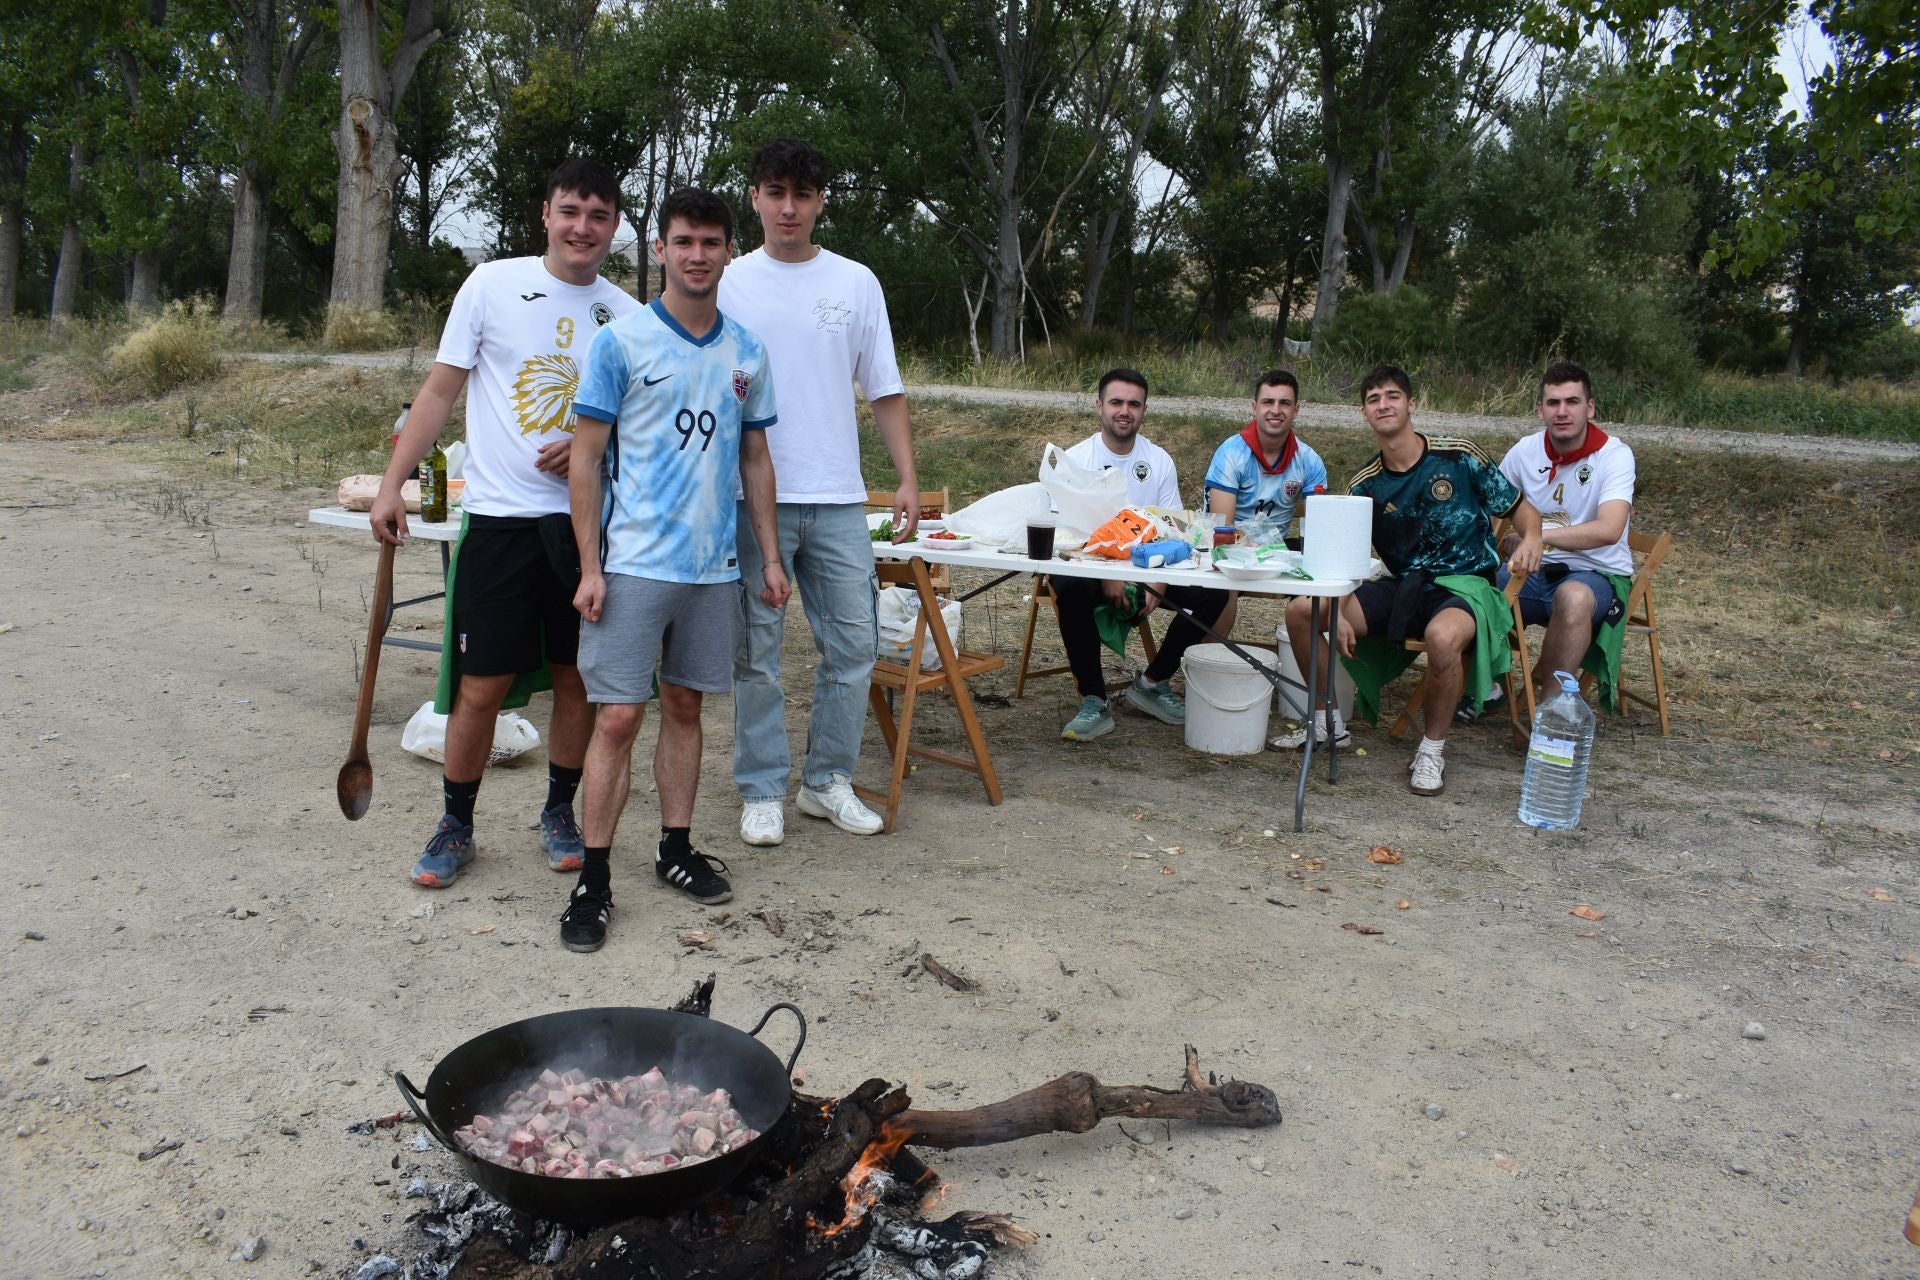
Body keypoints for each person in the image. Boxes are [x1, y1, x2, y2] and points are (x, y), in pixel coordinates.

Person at [371, 158, 640, 890]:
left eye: (597, 216)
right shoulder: (490, 283)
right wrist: (392, 485)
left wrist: (597, 445)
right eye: (569, 211)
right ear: (545, 215)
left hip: (586, 532)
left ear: (614, 228)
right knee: (480, 687)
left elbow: (641, 423)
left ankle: (559, 811)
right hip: (499, 524)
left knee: (576, 682)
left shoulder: (629, 316)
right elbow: (438, 391)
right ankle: (455, 824)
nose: (581, 227)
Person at [558, 187, 791, 953]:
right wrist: (591, 566)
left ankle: (675, 847)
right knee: (620, 715)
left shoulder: (746, 351)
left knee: (687, 708)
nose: (697, 255)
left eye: (711, 242)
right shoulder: (621, 344)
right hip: (632, 564)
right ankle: (593, 878)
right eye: (683, 241)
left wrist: (770, 556)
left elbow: (755, 457)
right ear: (659, 249)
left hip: (712, 569)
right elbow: (585, 460)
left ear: (729, 252)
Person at [718, 138, 918, 849]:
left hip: (837, 495)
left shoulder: (857, 282)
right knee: (756, 652)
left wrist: (906, 477)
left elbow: (884, 388)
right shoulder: (728, 279)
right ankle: (763, 787)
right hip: (752, 497)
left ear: (822, 200)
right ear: (755, 199)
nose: (788, 208)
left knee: (855, 646)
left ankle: (826, 780)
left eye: (802, 195)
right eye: (775, 193)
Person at [1274, 365, 1542, 796]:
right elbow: (1344, 555)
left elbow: (1518, 506)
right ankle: (1328, 724)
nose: (1383, 404)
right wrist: (1333, 605)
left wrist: (1533, 536)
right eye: (1374, 398)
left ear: (1411, 404)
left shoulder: (1459, 456)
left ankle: (1433, 749)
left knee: (1441, 637)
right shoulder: (1366, 484)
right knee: (1304, 612)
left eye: (1392, 395)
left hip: (1468, 584)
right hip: (1404, 586)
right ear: (1364, 413)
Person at [1055, 368, 1229, 741]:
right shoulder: (1077, 458)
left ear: (1144, 409)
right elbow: (1068, 535)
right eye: (1116, 402)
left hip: (1149, 565)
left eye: (1134, 404)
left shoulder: (1160, 460)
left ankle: (1153, 682)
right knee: (1066, 583)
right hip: (1091, 568)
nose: (1125, 411)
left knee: (1214, 591)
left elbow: (1172, 530)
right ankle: (1093, 700)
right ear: (1099, 406)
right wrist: (1106, 573)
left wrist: (1159, 578)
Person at [1495, 361, 1635, 705]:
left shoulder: (1614, 456)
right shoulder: (1524, 451)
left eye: (1572, 402)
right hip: (1530, 572)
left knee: (1573, 597)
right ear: (1540, 410)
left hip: (1594, 576)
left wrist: (1536, 537)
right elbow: (1488, 511)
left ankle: (1550, 715)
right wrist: (1492, 546)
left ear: (1589, 408)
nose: (1562, 411)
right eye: (1553, 403)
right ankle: (1486, 687)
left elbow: (1609, 529)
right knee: (1474, 585)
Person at [1204, 368, 1328, 531]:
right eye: (1268, 402)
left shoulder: (1310, 461)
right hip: (1229, 551)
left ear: (1296, 410)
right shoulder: (1230, 454)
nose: (1276, 410)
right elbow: (1222, 532)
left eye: (1284, 403)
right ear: (1255, 407)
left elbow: (1319, 529)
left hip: (1279, 552)